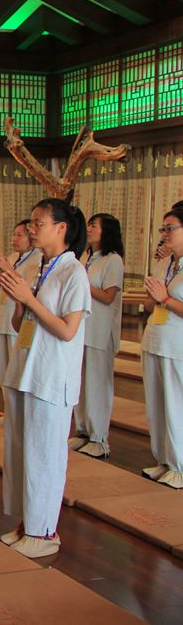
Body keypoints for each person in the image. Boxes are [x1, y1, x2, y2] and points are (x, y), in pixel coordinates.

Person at [0, 198, 91, 558]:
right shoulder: (39, 266)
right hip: (27, 368)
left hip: (52, 375)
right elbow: (20, 324)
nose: (32, 229)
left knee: (44, 455)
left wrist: (30, 300)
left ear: (61, 228)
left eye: (39, 223)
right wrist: (20, 301)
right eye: (32, 223)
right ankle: (28, 523)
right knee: (23, 451)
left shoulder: (73, 272)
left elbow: (68, 330)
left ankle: (45, 531)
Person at [70, 213, 125, 458]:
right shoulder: (87, 256)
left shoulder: (113, 260)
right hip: (82, 328)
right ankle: (82, 430)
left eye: (94, 225)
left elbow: (108, 296)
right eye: (89, 225)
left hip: (100, 331)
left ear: (107, 231)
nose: (89, 229)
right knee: (81, 382)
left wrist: (83, 282)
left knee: (97, 384)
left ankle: (99, 436)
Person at [140, 206, 183, 489]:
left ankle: (180, 465)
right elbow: (150, 302)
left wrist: (165, 299)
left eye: (171, 228)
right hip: (154, 337)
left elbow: (167, 300)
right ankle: (164, 460)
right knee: (156, 404)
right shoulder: (164, 263)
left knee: (175, 405)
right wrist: (154, 297)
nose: (165, 234)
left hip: (177, 344)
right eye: (163, 229)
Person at [0, 220, 41, 426]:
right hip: (3, 318)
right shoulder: (12, 258)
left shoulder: (37, 259)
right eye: (14, 234)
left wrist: (8, 269)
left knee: (17, 370)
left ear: (31, 237)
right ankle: (9, 411)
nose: (14, 239)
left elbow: (26, 288)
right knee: (4, 371)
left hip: (18, 320)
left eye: (20, 235)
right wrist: (1, 269)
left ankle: (19, 414)